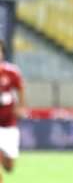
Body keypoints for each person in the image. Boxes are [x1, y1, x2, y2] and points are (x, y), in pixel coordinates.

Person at [0, 40, 24, 183]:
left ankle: (4, 154)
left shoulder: (12, 72)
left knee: (9, 167)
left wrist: (21, 107)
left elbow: (20, 88)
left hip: (9, 123)